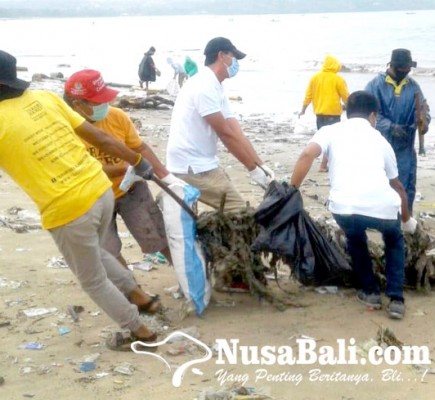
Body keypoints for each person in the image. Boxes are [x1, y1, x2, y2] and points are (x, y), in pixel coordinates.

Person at [0, 50, 159, 349]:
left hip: (68, 208)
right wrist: (138, 161)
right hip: (100, 190)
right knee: (96, 253)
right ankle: (142, 298)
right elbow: (102, 139)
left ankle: (139, 331)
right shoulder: (45, 99)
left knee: (92, 279)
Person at [291, 90, 418, 320]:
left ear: (346, 113)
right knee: (394, 240)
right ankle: (396, 298)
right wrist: (408, 220)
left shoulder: (329, 130)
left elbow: (306, 155)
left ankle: (369, 292)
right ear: (373, 116)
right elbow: (398, 187)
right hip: (383, 209)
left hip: (344, 209)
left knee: (355, 238)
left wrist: (291, 191)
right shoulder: (381, 140)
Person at [64, 69, 182, 269]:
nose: (105, 105)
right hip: (93, 197)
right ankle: (133, 292)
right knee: (107, 252)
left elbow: (140, 148)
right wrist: (130, 167)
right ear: (78, 104)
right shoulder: (65, 129)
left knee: (157, 236)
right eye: (98, 102)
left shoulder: (117, 117)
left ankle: (185, 278)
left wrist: (166, 176)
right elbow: (87, 169)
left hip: (131, 190)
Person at [167, 37, 274, 211]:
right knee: (239, 211)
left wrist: (261, 166)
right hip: (191, 165)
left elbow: (235, 131)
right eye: (233, 57)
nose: (235, 63)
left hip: (203, 161)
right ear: (221, 56)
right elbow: (225, 134)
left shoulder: (216, 86)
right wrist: (252, 169)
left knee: (225, 209)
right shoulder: (203, 86)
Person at [365, 49, 430, 214]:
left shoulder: (413, 86)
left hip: (405, 144)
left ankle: (405, 217)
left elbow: (423, 108)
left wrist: (424, 121)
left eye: (409, 69)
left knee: (406, 183)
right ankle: (380, 215)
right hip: (381, 143)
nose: (407, 72)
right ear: (393, 66)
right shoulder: (375, 86)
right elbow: (368, 114)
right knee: (381, 182)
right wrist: (390, 127)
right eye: (403, 69)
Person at [298, 55, 349, 172]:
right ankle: (323, 166)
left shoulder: (315, 78)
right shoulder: (338, 79)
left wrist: (303, 109)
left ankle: (323, 164)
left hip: (320, 114)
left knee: (323, 139)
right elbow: (346, 97)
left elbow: (308, 95)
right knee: (332, 140)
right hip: (333, 114)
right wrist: (351, 110)